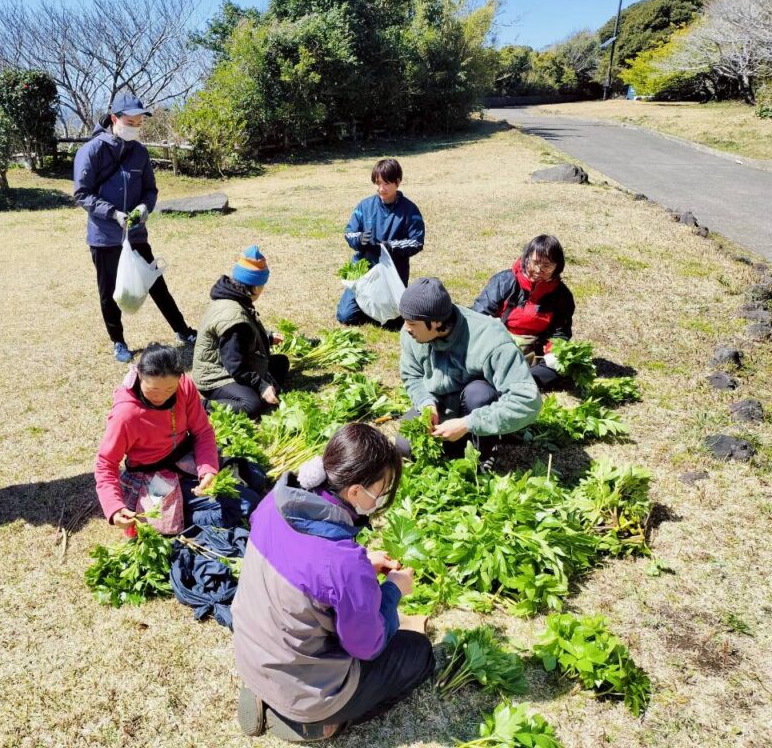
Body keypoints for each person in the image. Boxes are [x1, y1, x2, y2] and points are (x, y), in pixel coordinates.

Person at [232, 423, 433, 741]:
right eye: (380, 493)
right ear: (355, 491)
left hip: (253, 654)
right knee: (418, 654)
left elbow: (307, 568)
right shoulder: (343, 564)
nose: (380, 500)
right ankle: (316, 723)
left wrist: (362, 566)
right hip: (307, 690)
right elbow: (367, 646)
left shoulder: (275, 502)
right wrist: (393, 590)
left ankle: (264, 690)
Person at [74, 92, 196, 363]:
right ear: (114, 118)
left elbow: (150, 189)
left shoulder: (139, 151)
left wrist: (144, 207)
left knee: (155, 283)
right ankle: (118, 341)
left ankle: (183, 331)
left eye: (140, 123)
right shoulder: (92, 150)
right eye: (131, 122)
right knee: (109, 292)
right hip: (105, 237)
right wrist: (113, 213)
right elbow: (82, 193)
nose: (135, 128)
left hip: (136, 233)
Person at [397, 278, 542, 463]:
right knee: (404, 447)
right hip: (442, 405)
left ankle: (485, 445)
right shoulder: (412, 333)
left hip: (478, 407)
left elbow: (528, 400)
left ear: (434, 322)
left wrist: (468, 424)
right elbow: (412, 375)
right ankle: (457, 441)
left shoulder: (490, 339)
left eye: (412, 323)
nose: (406, 328)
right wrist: (426, 404)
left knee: (478, 393)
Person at [95, 344, 221, 531]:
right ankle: (186, 507)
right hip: (152, 476)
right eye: (153, 389)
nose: (161, 396)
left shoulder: (185, 386)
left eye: (170, 389)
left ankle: (187, 500)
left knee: (247, 493)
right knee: (160, 529)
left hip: (184, 457)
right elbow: (105, 463)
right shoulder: (126, 414)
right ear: (139, 376)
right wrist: (114, 508)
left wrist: (208, 468)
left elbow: (202, 432)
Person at [193, 246, 290, 419]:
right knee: (251, 405)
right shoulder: (233, 318)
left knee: (281, 363)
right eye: (262, 285)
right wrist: (261, 385)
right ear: (254, 287)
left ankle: (255, 388)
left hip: (230, 362)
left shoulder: (233, 296)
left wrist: (266, 338)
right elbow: (235, 366)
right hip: (216, 375)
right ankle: (203, 405)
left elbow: (239, 341)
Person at [472, 235, 575, 389]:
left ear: (557, 266)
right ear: (526, 258)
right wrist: (491, 326)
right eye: (535, 262)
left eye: (547, 266)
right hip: (499, 344)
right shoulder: (505, 280)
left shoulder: (562, 296)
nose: (539, 270)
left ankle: (515, 380)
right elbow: (478, 314)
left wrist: (553, 353)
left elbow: (559, 333)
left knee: (558, 369)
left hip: (534, 352)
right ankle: (517, 381)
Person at [336, 158, 425, 326]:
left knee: (393, 321)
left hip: (392, 272)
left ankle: (377, 307)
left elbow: (416, 242)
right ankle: (366, 305)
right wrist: (360, 239)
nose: (381, 189)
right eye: (378, 184)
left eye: (386, 184)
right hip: (365, 270)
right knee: (346, 317)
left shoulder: (409, 210)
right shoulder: (365, 206)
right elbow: (349, 233)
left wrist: (391, 247)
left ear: (398, 182)